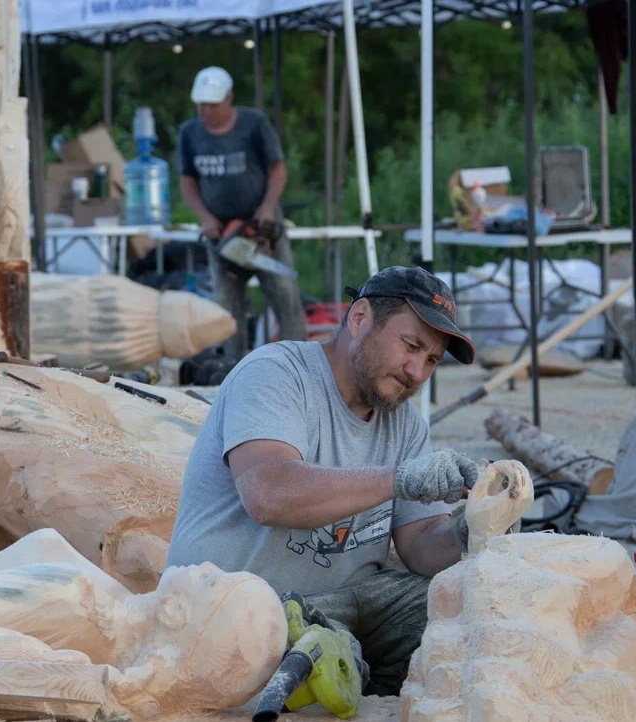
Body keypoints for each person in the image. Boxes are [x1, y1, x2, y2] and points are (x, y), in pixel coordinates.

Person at [166, 266, 518, 714]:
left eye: (431, 360)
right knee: (322, 659)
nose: (416, 371)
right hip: (245, 602)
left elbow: (419, 547)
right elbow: (268, 493)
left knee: (476, 610)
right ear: (359, 319)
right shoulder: (277, 373)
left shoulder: (405, 424)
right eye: (410, 346)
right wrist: (398, 478)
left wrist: (471, 529)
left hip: (359, 597)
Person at [177, 66, 307, 358]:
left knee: (285, 296)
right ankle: (231, 368)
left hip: (260, 230)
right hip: (221, 234)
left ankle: (300, 363)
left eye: (212, 104)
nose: (206, 110)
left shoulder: (253, 124)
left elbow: (277, 169)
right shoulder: (190, 133)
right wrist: (205, 217)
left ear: (229, 99)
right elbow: (187, 181)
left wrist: (268, 206)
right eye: (201, 104)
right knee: (225, 306)